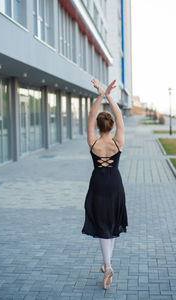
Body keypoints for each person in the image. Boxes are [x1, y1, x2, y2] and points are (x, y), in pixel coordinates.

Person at [81, 78, 128, 290]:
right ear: (111, 126)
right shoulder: (118, 141)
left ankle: (107, 265)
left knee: (102, 223)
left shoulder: (94, 141)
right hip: (115, 185)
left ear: (99, 127)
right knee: (112, 222)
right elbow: (119, 116)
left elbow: (91, 117)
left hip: (98, 184)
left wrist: (100, 94)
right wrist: (109, 95)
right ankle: (108, 264)